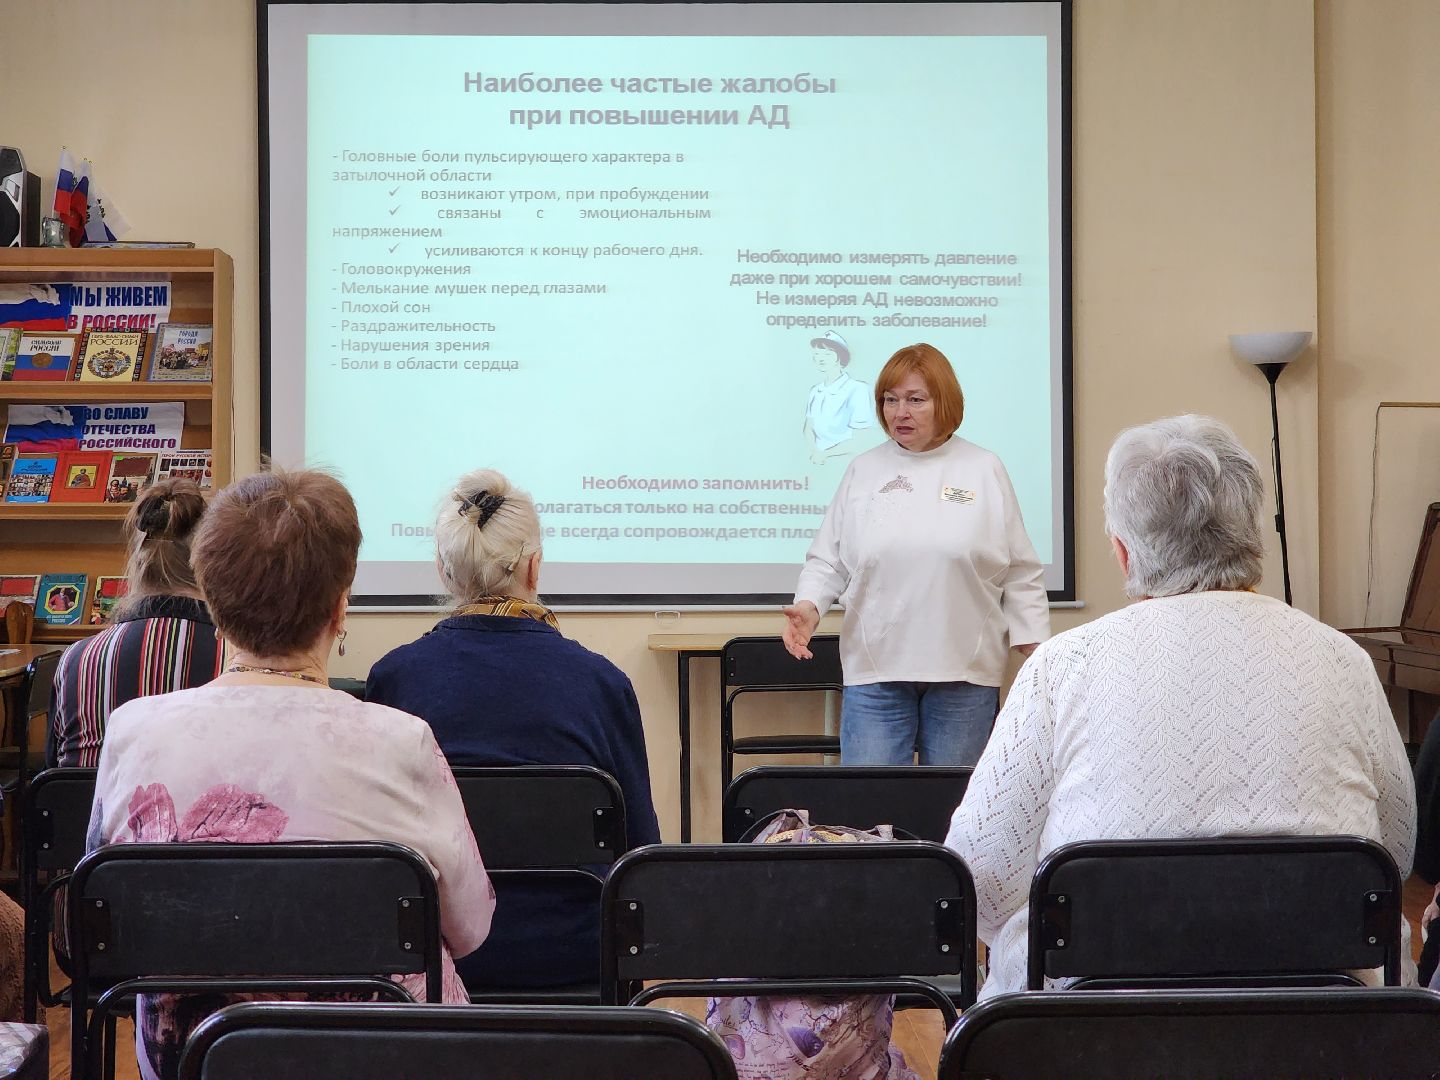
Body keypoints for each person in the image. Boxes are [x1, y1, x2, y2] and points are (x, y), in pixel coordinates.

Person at [946, 414, 1417, 997]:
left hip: (1089, 1029)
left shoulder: (1061, 667)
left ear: (1123, 552)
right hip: (1322, 1019)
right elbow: (1393, 854)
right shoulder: (1344, 660)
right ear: (1253, 536)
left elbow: (982, 880)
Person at [86, 469, 493, 1080]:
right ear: (339, 609)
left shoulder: (132, 732)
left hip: (196, 1061)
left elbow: (102, 926)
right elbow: (471, 927)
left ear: (214, 605)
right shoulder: (401, 742)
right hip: (383, 1061)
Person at [367, 467, 660, 992]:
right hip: (578, 963)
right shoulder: (602, 684)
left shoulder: (394, 678)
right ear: (535, 566)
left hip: (435, 965)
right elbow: (641, 858)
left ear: (443, 570)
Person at [782, 342, 1049, 765]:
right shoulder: (863, 470)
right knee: (871, 820)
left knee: (954, 815)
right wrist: (810, 607)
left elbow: (1019, 569)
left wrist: (1034, 642)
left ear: (944, 403)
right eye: (890, 400)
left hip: (964, 672)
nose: (899, 412)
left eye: (915, 400)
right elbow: (828, 560)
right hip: (876, 673)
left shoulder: (983, 468)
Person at [50, 479, 222, 767]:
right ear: (206, 560)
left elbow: (55, 774)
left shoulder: (76, 659)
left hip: (88, 812)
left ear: (136, 560)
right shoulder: (233, 658)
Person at [803, 330, 874, 464]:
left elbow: (860, 439)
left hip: (846, 463)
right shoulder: (815, 390)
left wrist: (825, 454)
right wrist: (816, 453)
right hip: (816, 461)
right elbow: (808, 428)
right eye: (817, 354)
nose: (821, 358)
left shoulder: (858, 389)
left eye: (827, 354)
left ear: (840, 357)